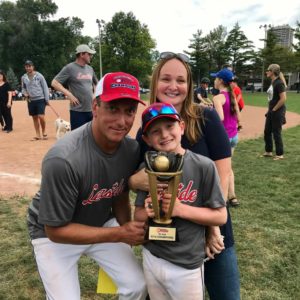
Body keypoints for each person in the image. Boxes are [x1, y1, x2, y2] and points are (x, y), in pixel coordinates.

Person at [129, 52, 240, 300]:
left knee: (227, 295)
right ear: (155, 82)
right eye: (165, 78)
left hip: (213, 227)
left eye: (180, 80)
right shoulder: (146, 133)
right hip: (165, 242)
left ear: (189, 86)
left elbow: (221, 179)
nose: (173, 86)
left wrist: (212, 230)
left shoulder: (206, 117)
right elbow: (133, 180)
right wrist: (152, 186)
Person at [27, 72, 148, 300]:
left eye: (129, 111)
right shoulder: (63, 159)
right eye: (113, 108)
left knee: (138, 285)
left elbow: (120, 193)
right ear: (95, 107)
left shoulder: (131, 149)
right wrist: (120, 233)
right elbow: (55, 230)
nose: (122, 121)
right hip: (53, 233)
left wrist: (126, 230)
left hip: (101, 221)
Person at [134, 102, 227, 300]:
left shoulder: (204, 166)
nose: (164, 134)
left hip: (187, 265)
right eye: (155, 131)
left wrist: (179, 209)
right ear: (146, 139)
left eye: (170, 127)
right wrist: (148, 212)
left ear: (182, 127)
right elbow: (138, 214)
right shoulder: (148, 167)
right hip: (152, 256)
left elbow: (220, 216)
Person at [51, 44, 98, 130]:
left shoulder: (90, 69)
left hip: (91, 110)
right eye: (89, 54)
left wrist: (94, 95)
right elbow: (54, 83)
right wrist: (69, 95)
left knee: (92, 136)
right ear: (82, 54)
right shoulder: (70, 68)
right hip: (77, 111)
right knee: (78, 138)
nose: (91, 56)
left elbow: (96, 83)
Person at [211, 68, 240, 207]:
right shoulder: (232, 95)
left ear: (221, 81)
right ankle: (232, 197)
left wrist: (209, 111)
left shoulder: (218, 97)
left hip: (224, 137)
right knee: (228, 168)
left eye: (216, 78)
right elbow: (238, 117)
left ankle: (223, 199)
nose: (214, 80)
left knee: (221, 170)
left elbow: (220, 117)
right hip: (234, 136)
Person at [262, 64, 287, 160]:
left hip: (277, 111)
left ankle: (279, 154)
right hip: (272, 110)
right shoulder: (273, 82)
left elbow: (283, 98)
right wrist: (271, 110)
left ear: (272, 72)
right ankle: (268, 151)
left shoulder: (279, 83)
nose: (266, 72)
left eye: (268, 70)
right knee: (267, 131)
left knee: (276, 132)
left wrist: (274, 109)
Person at [21, 60, 49, 140]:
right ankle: (37, 134)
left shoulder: (39, 76)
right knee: (34, 117)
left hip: (40, 99)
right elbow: (23, 88)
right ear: (25, 67)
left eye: (29, 66)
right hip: (30, 100)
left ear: (33, 67)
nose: (28, 68)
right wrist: (25, 93)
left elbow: (45, 87)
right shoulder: (23, 77)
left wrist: (47, 99)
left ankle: (44, 131)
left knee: (41, 116)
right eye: (26, 66)